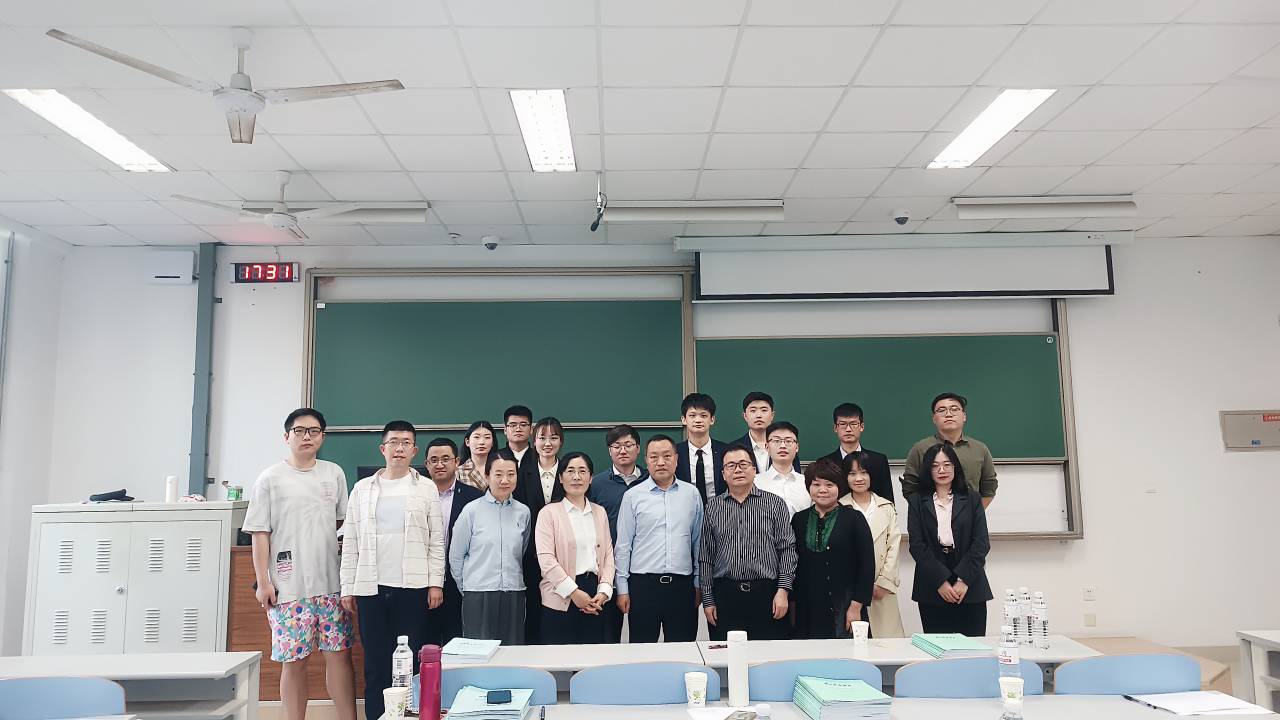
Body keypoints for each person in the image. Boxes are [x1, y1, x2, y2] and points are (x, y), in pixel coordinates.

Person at [243, 408, 356, 720]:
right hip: (288, 588)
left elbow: (341, 524)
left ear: (322, 437)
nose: (307, 436)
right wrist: (263, 581)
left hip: (331, 585)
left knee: (340, 656)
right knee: (293, 662)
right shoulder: (270, 478)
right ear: (286, 436)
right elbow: (260, 533)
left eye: (314, 431)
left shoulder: (334, 473)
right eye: (300, 431)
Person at [339, 421, 446, 720]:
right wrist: (348, 586)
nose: (399, 448)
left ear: (414, 450)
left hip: (412, 587)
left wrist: (435, 583)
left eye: (406, 443)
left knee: (410, 664)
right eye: (394, 442)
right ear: (383, 448)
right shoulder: (362, 489)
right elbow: (351, 541)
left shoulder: (425, 487)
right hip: (370, 587)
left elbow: (436, 540)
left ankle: (408, 715)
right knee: (375, 663)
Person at [699, 444, 797, 641]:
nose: (737, 470)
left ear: (754, 470)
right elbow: (706, 556)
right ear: (723, 474)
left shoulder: (774, 504)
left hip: (768, 594)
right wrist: (708, 599)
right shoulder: (713, 507)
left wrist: (783, 591)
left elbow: (787, 550)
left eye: (743, 464)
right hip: (726, 595)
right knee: (727, 655)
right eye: (731, 466)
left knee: (769, 654)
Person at [614, 434, 703, 643]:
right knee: (643, 652)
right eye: (654, 457)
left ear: (677, 458)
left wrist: (698, 582)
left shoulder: (691, 494)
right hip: (643, 586)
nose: (661, 462)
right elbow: (623, 545)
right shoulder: (633, 496)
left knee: (683, 651)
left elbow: (698, 543)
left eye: (667, 456)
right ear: (646, 460)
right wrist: (622, 588)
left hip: (682, 587)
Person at [907, 443, 993, 636]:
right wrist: (941, 581)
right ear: (927, 470)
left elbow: (981, 542)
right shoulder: (917, 501)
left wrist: (963, 579)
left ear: (955, 467)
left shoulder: (972, 498)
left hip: (970, 579)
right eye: (935, 466)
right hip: (932, 582)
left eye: (947, 464)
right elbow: (917, 545)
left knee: (973, 646)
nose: (942, 470)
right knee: (939, 647)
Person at [449, 449, 531, 645]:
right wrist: (468, 586)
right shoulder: (471, 511)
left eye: (511, 474)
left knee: (512, 651)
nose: (505, 480)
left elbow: (522, 551)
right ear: (487, 476)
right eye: (498, 474)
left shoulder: (523, 512)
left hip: (514, 592)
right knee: (479, 653)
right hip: (478, 593)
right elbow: (456, 556)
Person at [789, 458, 875, 639]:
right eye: (816, 484)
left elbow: (867, 566)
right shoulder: (799, 519)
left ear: (839, 487)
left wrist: (856, 606)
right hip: (808, 605)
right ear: (808, 487)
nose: (822, 490)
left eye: (829, 484)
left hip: (844, 604)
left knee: (848, 653)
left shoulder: (854, 518)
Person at [535, 452, 615, 644]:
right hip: (560, 596)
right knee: (560, 658)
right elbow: (546, 560)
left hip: (595, 596)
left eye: (582, 471)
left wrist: (604, 591)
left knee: (593, 658)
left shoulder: (600, 512)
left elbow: (608, 556)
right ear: (561, 478)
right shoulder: (548, 513)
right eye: (570, 471)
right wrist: (574, 593)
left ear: (591, 478)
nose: (576, 477)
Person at [587, 424, 650, 641]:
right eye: (616, 446)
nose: (622, 450)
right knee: (608, 636)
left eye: (628, 445)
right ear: (609, 450)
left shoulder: (650, 480)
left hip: (643, 569)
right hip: (607, 569)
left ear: (638, 448)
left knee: (643, 636)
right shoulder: (596, 484)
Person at [422, 437, 483, 647]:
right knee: (425, 643)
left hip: (460, 583)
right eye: (434, 460)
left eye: (446, 459)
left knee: (457, 642)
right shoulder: (416, 496)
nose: (440, 464)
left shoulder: (474, 498)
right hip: (423, 581)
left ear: (457, 462)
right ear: (426, 464)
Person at [840, 451, 905, 638]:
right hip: (849, 591)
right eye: (852, 474)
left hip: (881, 589)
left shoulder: (886, 507)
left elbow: (893, 546)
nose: (858, 478)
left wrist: (884, 583)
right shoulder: (839, 507)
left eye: (864, 472)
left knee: (887, 644)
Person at [901, 393, 998, 508]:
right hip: (930, 517)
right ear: (934, 418)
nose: (948, 414)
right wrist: (929, 514)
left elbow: (989, 488)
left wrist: (973, 513)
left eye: (954, 409)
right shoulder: (920, 448)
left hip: (970, 516)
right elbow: (910, 488)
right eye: (942, 410)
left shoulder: (980, 449)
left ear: (964, 416)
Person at [818, 403, 894, 503]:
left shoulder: (878, 460)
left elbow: (887, 500)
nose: (848, 429)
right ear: (835, 428)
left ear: (862, 426)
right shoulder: (825, 463)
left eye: (853, 424)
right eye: (842, 424)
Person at [675, 393, 729, 502]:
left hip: (721, 509)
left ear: (712, 419)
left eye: (703, 416)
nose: (698, 420)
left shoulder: (726, 451)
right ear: (684, 419)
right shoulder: (675, 452)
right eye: (692, 415)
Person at [753, 421, 811, 515]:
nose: (783, 446)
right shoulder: (754, 483)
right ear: (767, 447)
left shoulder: (808, 482)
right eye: (776, 441)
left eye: (788, 441)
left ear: (797, 447)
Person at [733, 391, 796, 473]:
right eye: (753, 411)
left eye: (764, 410)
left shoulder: (787, 447)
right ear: (745, 416)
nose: (759, 415)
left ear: (772, 415)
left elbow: (796, 477)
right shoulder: (734, 448)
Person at [456, 420, 496, 491]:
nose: (482, 442)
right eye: (477, 437)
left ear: (492, 442)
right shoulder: (458, 472)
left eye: (487, 437)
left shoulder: (500, 468)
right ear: (467, 442)